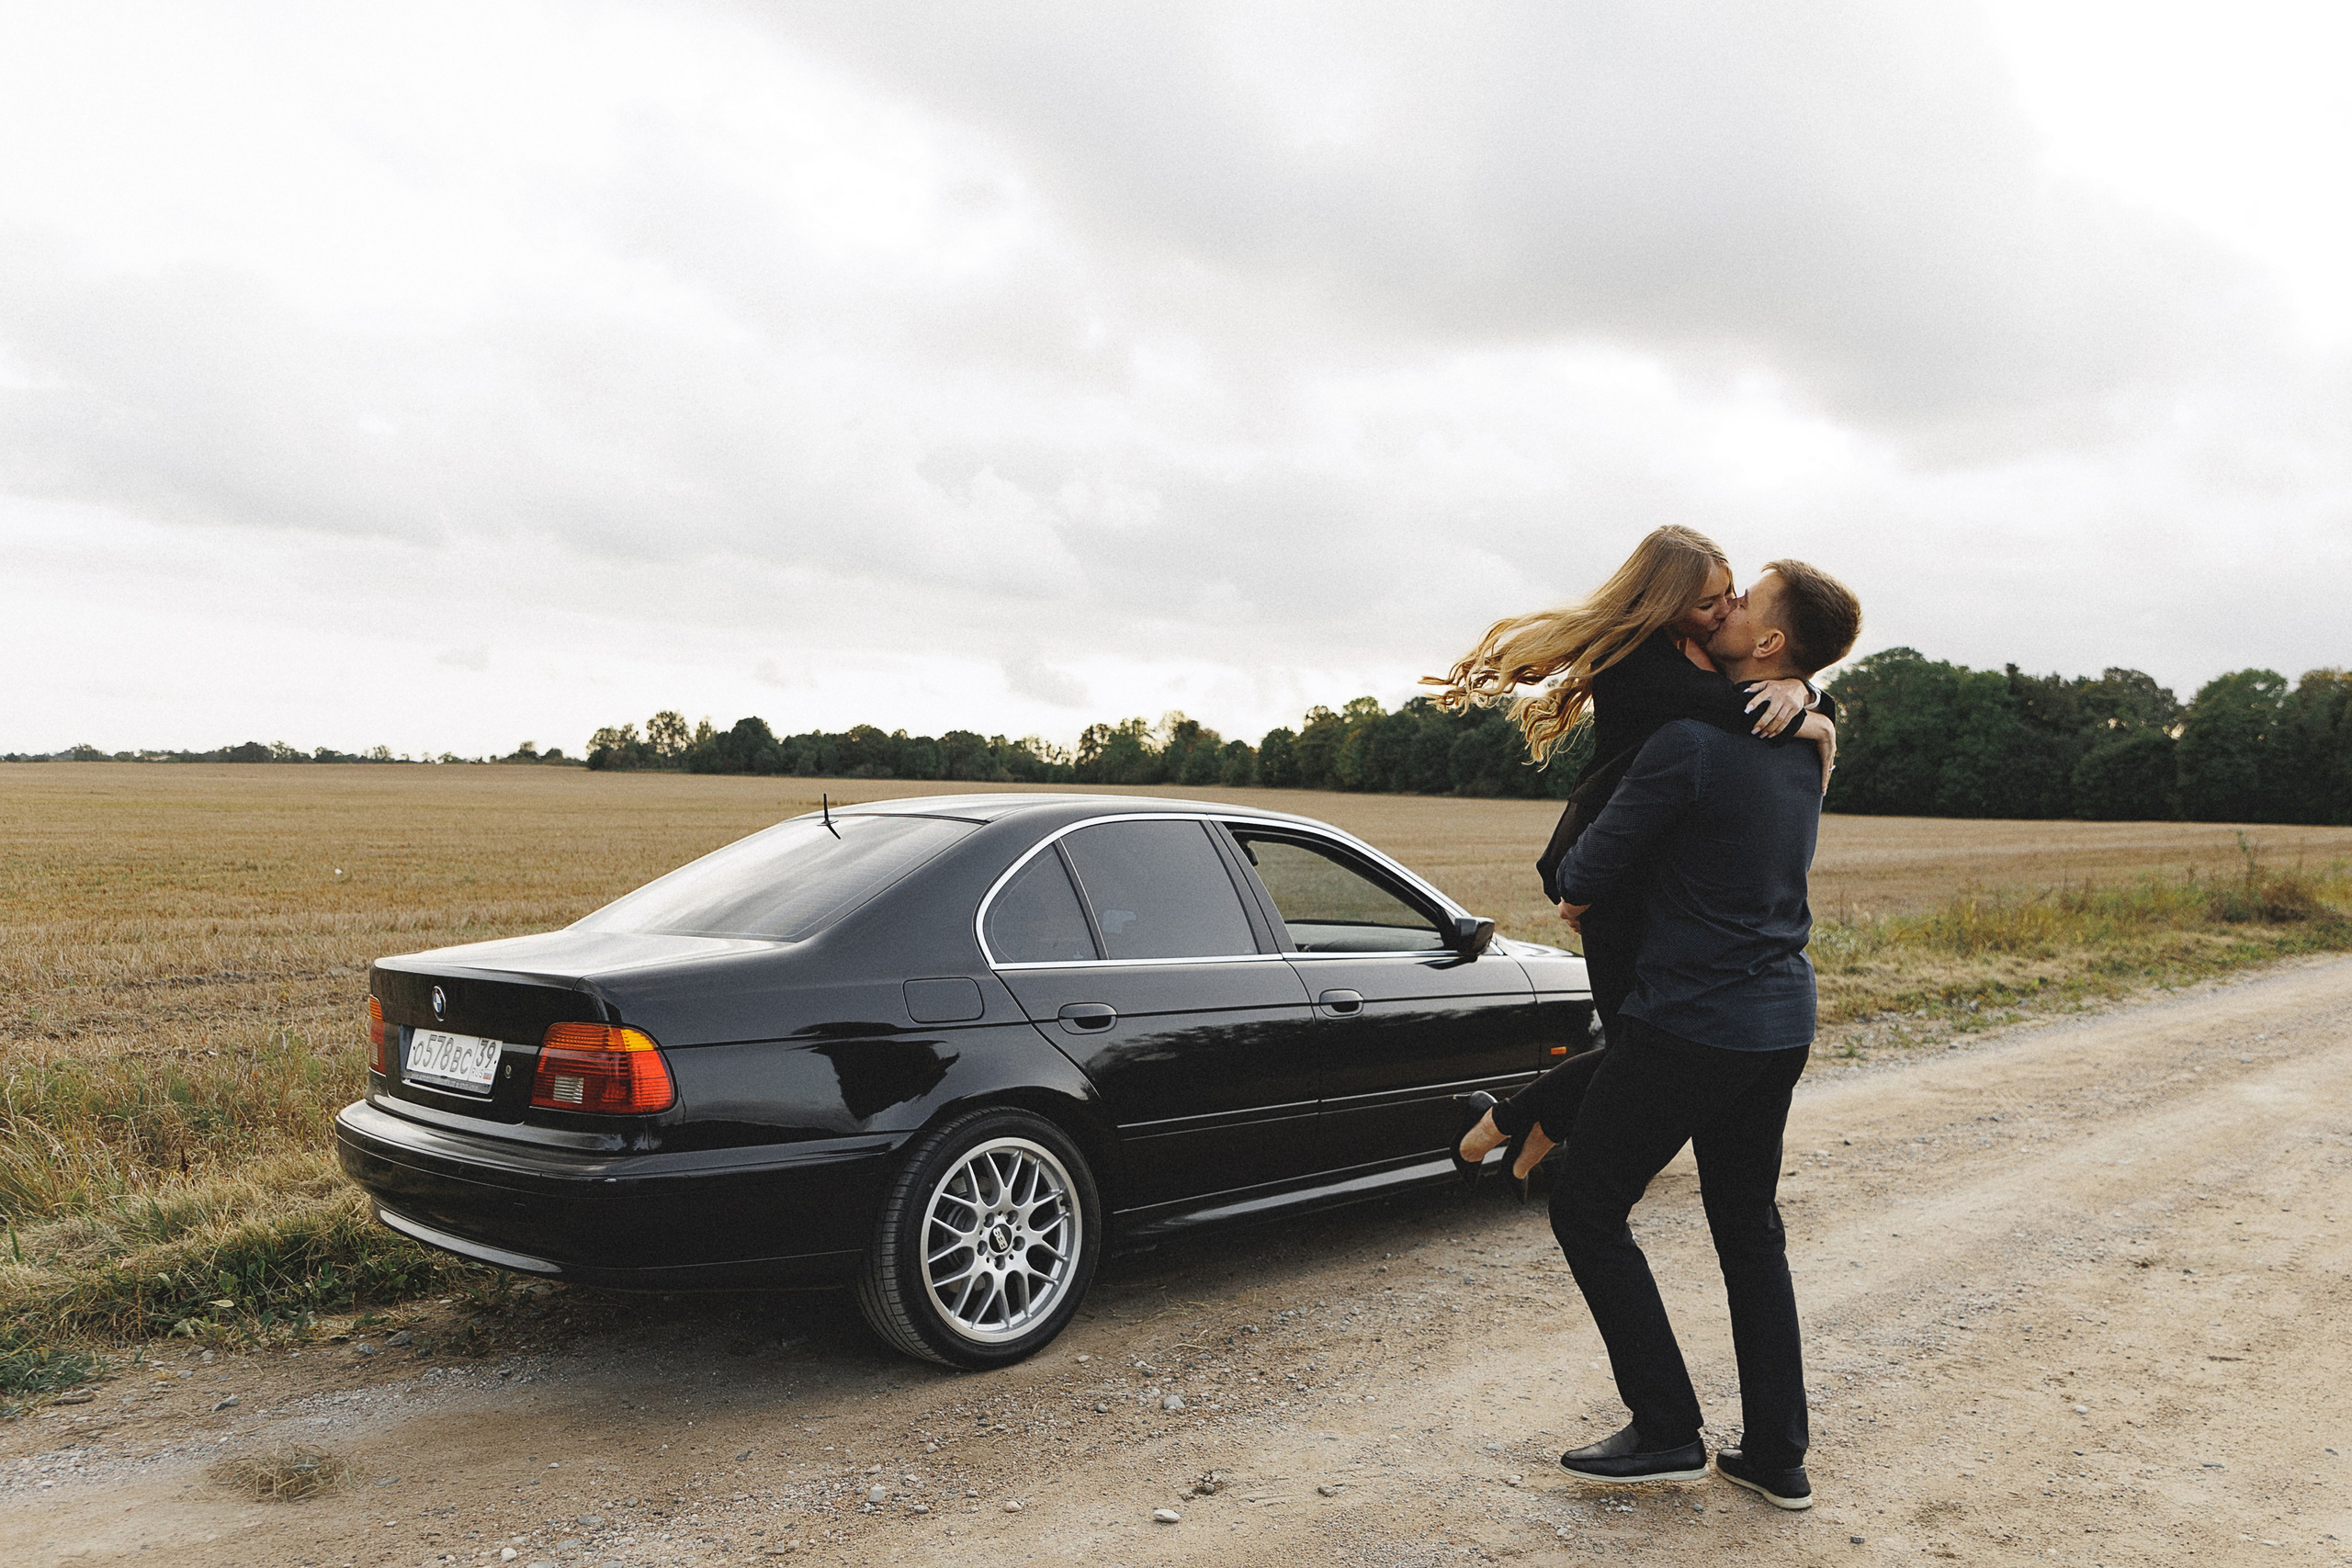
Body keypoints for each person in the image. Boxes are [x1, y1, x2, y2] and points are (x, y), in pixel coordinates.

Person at [1542, 559, 1862, 1510]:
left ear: (1768, 645)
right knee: (1747, 1227)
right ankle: (1775, 1455)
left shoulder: (1684, 741)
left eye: (1744, 601)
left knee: (1586, 1205)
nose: (1724, 609)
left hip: (1689, 1020)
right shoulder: (1805, 745)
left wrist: (1590, 894)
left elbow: (1582, 875)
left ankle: (1667, 1430)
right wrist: (1812, 705)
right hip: (1780, 1019)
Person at [1426, 526, 1837, 1185]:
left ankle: (1528, 1122)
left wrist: (1808, 695)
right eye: (1711, 602)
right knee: (1637, 1047)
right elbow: (1733, 709)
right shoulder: (1638, 664)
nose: (1726, 610)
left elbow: (1763, 693)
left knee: (1643, 1046)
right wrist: (1812, 711)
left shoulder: (1700, 646)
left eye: (1731, 596)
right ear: (1665, 601)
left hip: (1650, 876)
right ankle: (1516, 1122)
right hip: (1605, 871)